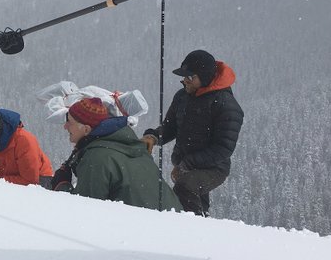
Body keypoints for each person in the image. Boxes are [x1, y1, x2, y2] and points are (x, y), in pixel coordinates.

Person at [141, 50, 244, 216]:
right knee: (193, 197)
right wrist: (153, 136)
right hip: (187, 164)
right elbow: (170, 127)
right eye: (184, 77)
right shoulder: (183, 97)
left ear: (204, 77)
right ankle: (201, 226)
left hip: (214, 168)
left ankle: (194, 230)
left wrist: (187, 164)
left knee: (185, 187)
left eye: (190, 77)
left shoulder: (226, 106)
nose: (185, 81)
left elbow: (223, 149)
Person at [51, 97, 181, 211]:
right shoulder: (132, 147)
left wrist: (62, 185)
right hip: (172, 226)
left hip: (145, 233)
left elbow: (84, 211)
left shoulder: (97, 158)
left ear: (86, 129)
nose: (65, 126)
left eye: (69, 122)